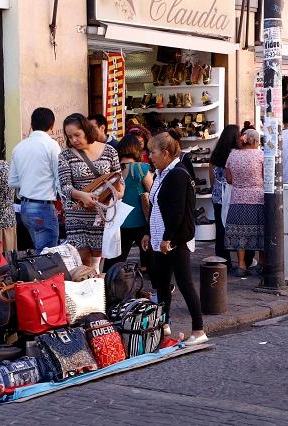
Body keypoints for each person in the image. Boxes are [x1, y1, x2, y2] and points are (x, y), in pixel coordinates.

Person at [142, 130, 207, 346]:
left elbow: (177, 211)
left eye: (153, 152)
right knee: (161, 284)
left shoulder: (177, 174)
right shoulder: (162, 173)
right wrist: (149, 233)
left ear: (167, 153)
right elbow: (154, 207)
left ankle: (198, 330)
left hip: (174, 239)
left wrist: (167, 238)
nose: (150, 156)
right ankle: (163, 325)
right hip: (160, 237)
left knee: (184, 283)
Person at [58, 113, 122, 271]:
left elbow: (119, 179)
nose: (73, 140)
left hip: (102, 215)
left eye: (77, 135)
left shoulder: (109, 152)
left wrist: (118, 194)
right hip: (77, 215)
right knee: (82, 260)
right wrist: (82, 195)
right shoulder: (65, 156)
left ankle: (98, 292)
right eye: (70, 136)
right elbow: (65, 186)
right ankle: (88, 291)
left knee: (98, 262)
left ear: (86, 130)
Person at [9, 107, 61, 250]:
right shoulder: (51, 145)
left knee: (40, 250)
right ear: (52, 126)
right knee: (48, 254)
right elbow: (60, 178)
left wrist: (29, 182)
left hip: (25, 207)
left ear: (31, 125)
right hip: (43, 205)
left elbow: (12, 181)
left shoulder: (19, 147)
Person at [102, 134, 153, 272]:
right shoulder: (141, 168)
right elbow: (152, 191)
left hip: (119, 221)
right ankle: (157, 289)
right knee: (150, 259)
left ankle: (108, 286)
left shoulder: (113, 170)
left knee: (115, 261)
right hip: (140, 221)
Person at [224, 128, 265, 277]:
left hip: (237, 199)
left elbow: (229, 179)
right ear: (254, 141)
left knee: (240, 232)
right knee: (261, 231)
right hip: (258, 199)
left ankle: (241, 264)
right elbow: (266, 177)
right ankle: (261, 263)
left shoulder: (232, 155)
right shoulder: (261, 155)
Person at [209, 124, 239, 267]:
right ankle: (241, 259)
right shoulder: (235, 154)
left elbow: (211, 177)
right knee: (237, 225)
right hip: (232, 193)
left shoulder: (216, 154)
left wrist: (214, 189)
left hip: (217, 193)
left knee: (220, 228)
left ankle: (222, 258)